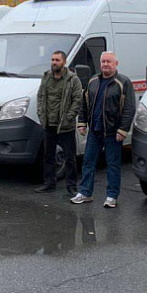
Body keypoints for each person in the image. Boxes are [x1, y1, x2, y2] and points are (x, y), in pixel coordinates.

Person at [71, 52, 136, 208]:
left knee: (113, 165)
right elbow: (84, 103)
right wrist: (82, 122)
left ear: (116, 63)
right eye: (103, 61)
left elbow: (129, 108)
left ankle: (112, 196)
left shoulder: (123, 82)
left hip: (113, 132)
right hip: (95, 130)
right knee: (88, 162)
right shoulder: (93, 81)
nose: (105, 64)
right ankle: (85, 193)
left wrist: (123, 130)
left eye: (109, 61)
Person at [34, 51, 82, 195]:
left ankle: (71, 186)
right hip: (49, 124)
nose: (54, 62)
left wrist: (69, 117)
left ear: (64, 62)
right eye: (53, 59)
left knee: (70, 157)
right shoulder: (46, 77)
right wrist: (41, 114)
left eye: (57, 60)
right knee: (48, 156)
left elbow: (77, 100)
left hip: (65, 125)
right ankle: (49, 183)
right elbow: (40, 96)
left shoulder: (72, 79)